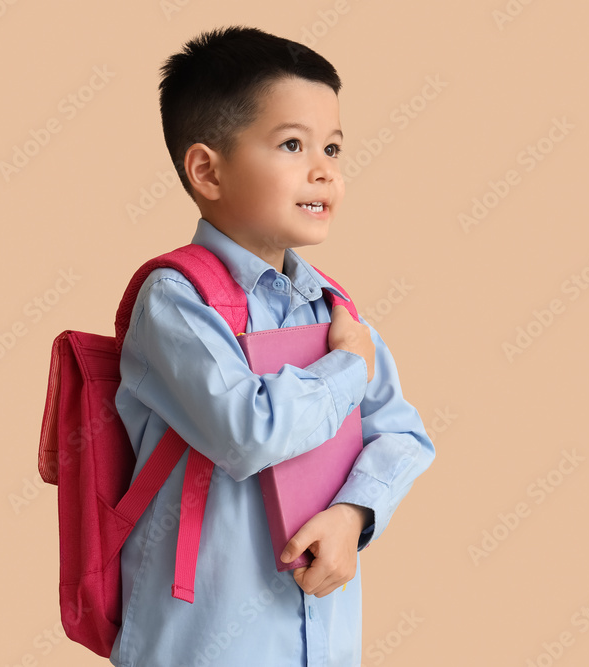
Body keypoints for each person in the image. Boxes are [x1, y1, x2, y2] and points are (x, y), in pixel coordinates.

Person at [110, 25, 436, 666]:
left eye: (335, 149)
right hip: (203, 645)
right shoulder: (175, 300)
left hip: (322, 640)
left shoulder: (330, 303)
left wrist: (354, 515)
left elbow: (401, 432)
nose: (325, 171)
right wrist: (347, 368)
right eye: (293, 144)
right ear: (207, 169)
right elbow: (247, 433)